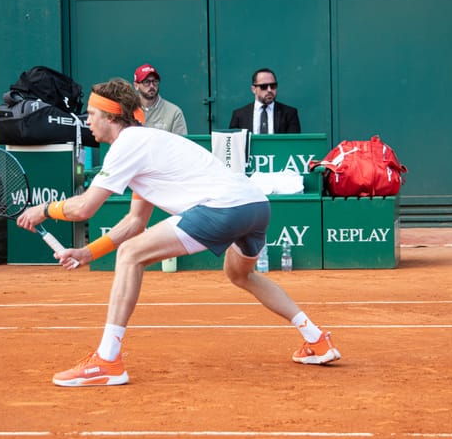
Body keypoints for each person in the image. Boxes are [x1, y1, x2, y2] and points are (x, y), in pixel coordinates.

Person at [17, 78, 340, 387]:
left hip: (222, 207)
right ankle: (316, 338)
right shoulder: (147, 142)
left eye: (91, 113)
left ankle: (107, 360)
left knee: (130, 256)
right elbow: (134, 223)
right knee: (241, 275)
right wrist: (89, 253)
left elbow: (84, 208)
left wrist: (43, 209)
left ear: (112, 116)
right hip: (255, 205)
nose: (86, 120)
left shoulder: (127, 143)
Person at [229, 68, 301, 134]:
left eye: (273, 86)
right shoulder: (239, 115)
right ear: (254, 89)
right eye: (264, 86)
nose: (269, 90)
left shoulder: (289, 113)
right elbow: (234, 144)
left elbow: (293, 144)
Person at [133, 63, 188, 135]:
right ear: (136, 85)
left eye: (155, 81)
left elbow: (182, 143)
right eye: (146, 82)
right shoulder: (128, 110)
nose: (152, 86)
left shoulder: (174, 112)